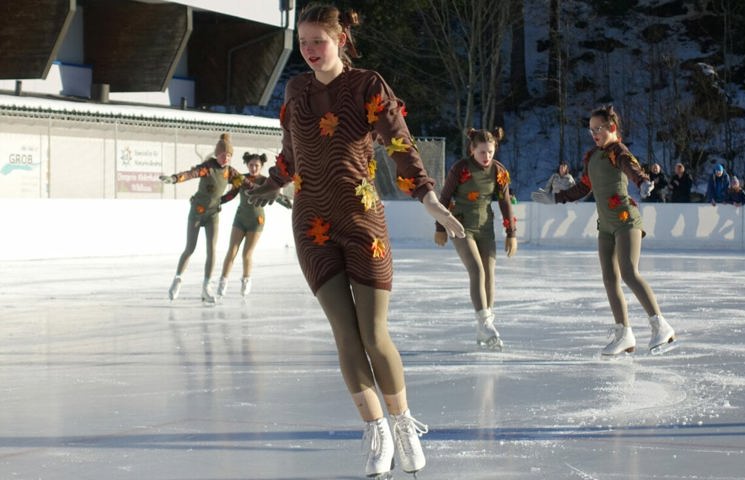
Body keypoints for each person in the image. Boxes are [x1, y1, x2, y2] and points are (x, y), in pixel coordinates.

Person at [244, 4, 464, 478]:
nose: (309, 51)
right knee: (344, 335)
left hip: (362, 220)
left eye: (318, 41)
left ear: (340, 39)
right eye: (302, 43)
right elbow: (291, 152)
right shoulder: (297, 89)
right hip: (311, 224)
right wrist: (274, 182)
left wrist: (427, 196)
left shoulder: (367, 85)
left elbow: (399, 143)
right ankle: (377, 430)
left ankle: (402, 423)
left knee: (373, 332)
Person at [532, 105, 675, 357]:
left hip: (625, 220)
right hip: (606, 224)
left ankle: (661, 325)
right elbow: (583, 188)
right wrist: (556, 198)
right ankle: (624, 334)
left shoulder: (616, 151)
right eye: (591, 130)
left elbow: (630, 165)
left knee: (629, 273)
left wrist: (642, 181)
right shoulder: (592, 157)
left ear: (612, 128)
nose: (594, 133)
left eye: (598, 128)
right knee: (610, 279)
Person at [435, 127, 517, 350]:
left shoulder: (499, 171)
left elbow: (505, 203)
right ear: (472, 150)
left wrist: (511, 234)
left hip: (485, 228)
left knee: (489, 274)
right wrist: (440, 226)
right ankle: (485, 323)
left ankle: (485, 326)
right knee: (477, 270)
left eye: (490, 152)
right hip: (461, 226)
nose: (487, 156)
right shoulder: (461, 169)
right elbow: (444, 198)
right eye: (482, 152)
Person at [160, 133, 245, 303]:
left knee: (212, 250)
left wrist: (264, 189)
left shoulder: (230, 172)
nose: (226, 158)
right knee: (190, 248)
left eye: (229, 155)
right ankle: (177, 279)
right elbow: (191, 173)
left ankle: (206, 287)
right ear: (217, 154)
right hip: (197, 212)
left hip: (213, 214)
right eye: (223, 155)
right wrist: (175, 178)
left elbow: (244, 183)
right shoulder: (209, 167)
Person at [217, 152, 291, 298]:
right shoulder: (241, 178)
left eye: (256, 165)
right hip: (240, 218)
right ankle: (223, 281)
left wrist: (286, 202)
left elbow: (275, 195)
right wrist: (218, 201)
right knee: (232, 250)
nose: (253, 168)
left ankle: (246, 279)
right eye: (251, 165)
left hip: (256, 221)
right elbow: (232, 194)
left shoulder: (266, 181)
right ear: (247, 165)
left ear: (261, 166)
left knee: (246, 254)